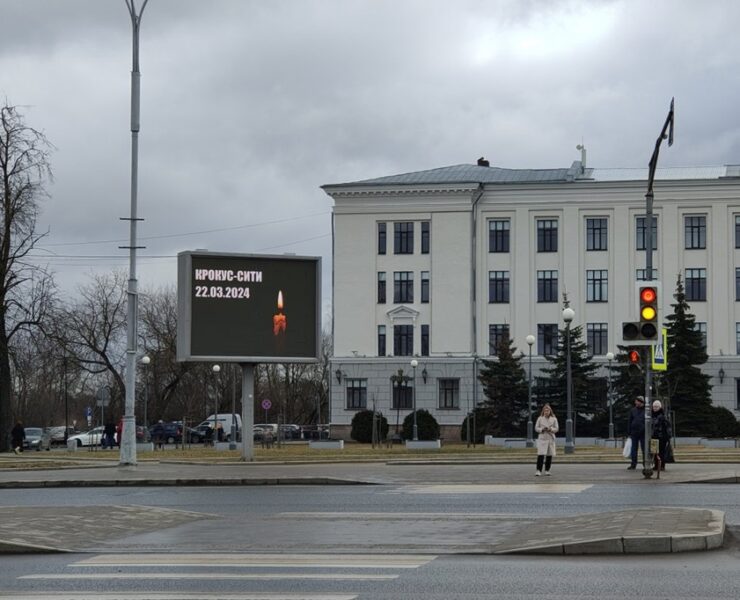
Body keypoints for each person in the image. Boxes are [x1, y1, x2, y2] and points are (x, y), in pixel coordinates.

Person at [534, 404, 559, 476]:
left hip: (550, 438)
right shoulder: (540, 418)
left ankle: (547, 470)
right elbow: (536, 428)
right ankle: (538, 470)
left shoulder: (554, 419)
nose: (546, 412)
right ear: (543, 411)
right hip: (542, 438)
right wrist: (542, 429)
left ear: (550, 411)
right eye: (545, 411)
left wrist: (551, 429)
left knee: (549, 455)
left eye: (547, 411)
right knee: (540, 455)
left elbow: (556, 428)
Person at [651, 400, 672, 470]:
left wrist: (668, 436)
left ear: (660, 407)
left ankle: (662, 465)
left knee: (661, 452)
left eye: (656, 406)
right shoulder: (651, 415)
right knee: (655, 452)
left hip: (662, 437)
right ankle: (656, 465)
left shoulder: (663, 416)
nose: (655, 408)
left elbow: (668, 426)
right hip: (654, 436)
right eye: (654, 406)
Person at [627, 395, 646, 470]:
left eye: (637, 401)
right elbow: (630, 421)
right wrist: (629, 432)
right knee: (633, 449)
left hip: (643, 433)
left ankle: (645, 463)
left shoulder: (646, 410)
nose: (635, 402)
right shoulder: (633, 410)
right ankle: (633, 464)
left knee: (644, 449)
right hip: (634, 432)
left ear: (641, 402)